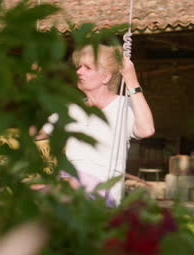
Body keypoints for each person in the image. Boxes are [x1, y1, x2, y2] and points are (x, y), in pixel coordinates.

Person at [36, 45, 155, 206]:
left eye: (87, 68)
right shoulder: (71, 109)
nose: (78, 72)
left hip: (101, 192)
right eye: (79, 67)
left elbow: (146, 130)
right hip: (66, 183)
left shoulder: (124, 106)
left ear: (105, 77)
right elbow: (37, 135)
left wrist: (131, 80)